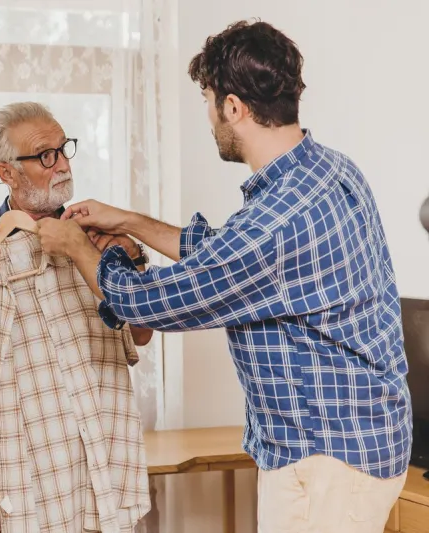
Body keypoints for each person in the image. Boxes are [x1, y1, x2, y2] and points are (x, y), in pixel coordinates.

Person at [36, 20, 412, 533]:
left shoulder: (274, 222)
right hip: (360, 442)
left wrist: (78, 247)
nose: (209, 116)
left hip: (325, 460)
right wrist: (127, 221)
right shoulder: (327, 170)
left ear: (234, 107)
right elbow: (227, 257)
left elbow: (150, 304)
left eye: (210, 99)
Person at [0, 101, 152, 531]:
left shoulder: (94, 237)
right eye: (44, 155)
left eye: (63, 148)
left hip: (94, 467)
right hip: (11, 482)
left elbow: (142, 334)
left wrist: (129, 259)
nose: (61, 165)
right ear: (6, 172)